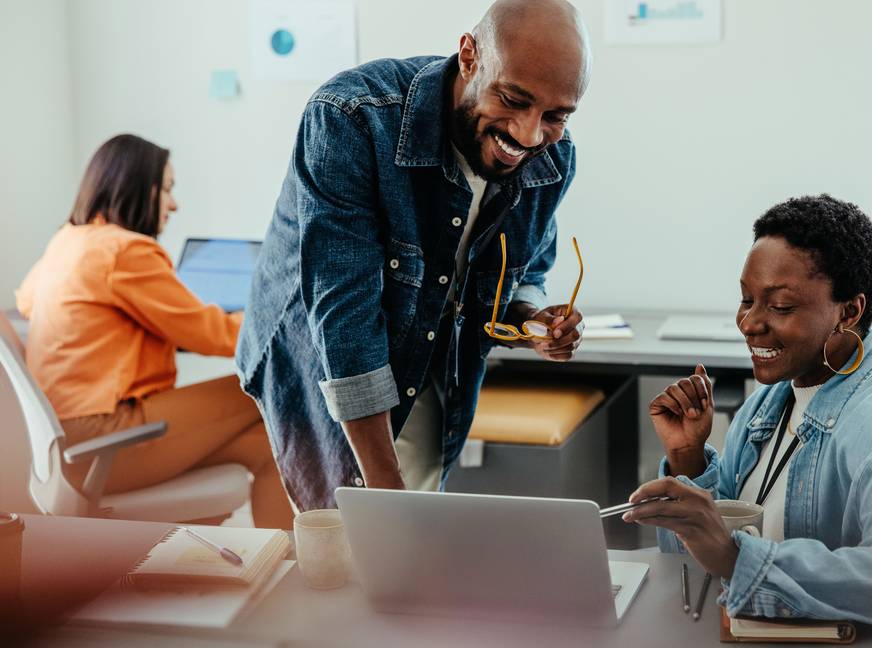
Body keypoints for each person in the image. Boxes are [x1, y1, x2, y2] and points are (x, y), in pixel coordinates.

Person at [237, 0, 593, 510]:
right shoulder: (351, 118)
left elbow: (526, 271)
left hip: (433, 355)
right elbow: (345, 317)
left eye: (555, 116)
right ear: (469, 56)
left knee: (412, 524)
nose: (529, 134)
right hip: (319, 356)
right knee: (343, 526)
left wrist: (533, 320)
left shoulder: (553, 157)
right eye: (513, 100)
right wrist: (385, 488)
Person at [624, 195, 872, 628]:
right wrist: (688, 458)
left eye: (780, 306)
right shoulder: (768, 403)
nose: (749, 323)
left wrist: (736, 556)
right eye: (746, 299)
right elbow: (696, 570)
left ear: (849, 312)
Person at [15, 134, 294, 530]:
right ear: (135, 187)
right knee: (274, 386)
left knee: (265, 446)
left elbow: (28, 302)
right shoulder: (125, 250)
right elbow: (212, 334)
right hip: (106, 437)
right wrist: (286, 322)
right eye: (166, 190)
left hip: (66, 447)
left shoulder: (67, 241)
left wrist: (131, 328)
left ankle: (280, 555)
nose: (173, 204)